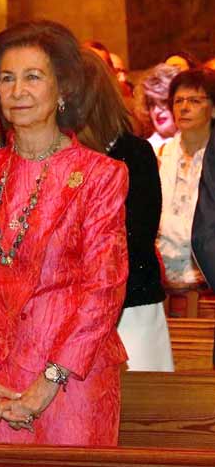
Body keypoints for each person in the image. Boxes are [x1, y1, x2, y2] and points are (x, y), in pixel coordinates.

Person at [0, 19, 128, 446]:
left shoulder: (100, 175)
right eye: (7, 78)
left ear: (63, 88)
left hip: (72, 379)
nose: (17, 90)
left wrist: (50, 380)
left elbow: (103, 288)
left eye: (33, 77)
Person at [77, 50, 172, 372]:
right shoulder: (55, 154)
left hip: (131, 303)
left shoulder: (135, 153)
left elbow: (138, 234)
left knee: (144, 414)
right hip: (68, 309)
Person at [156, 68, 215, 288]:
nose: (184, 107)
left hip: (207, 285)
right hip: (165, 287)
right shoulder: (160, 156)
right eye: (178, 100)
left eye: (194, 100)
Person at [141, 62, 181, 151]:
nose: (156, 111)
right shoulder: (143, 150)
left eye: (163, 102)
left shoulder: (204, 144)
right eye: (152, 104)